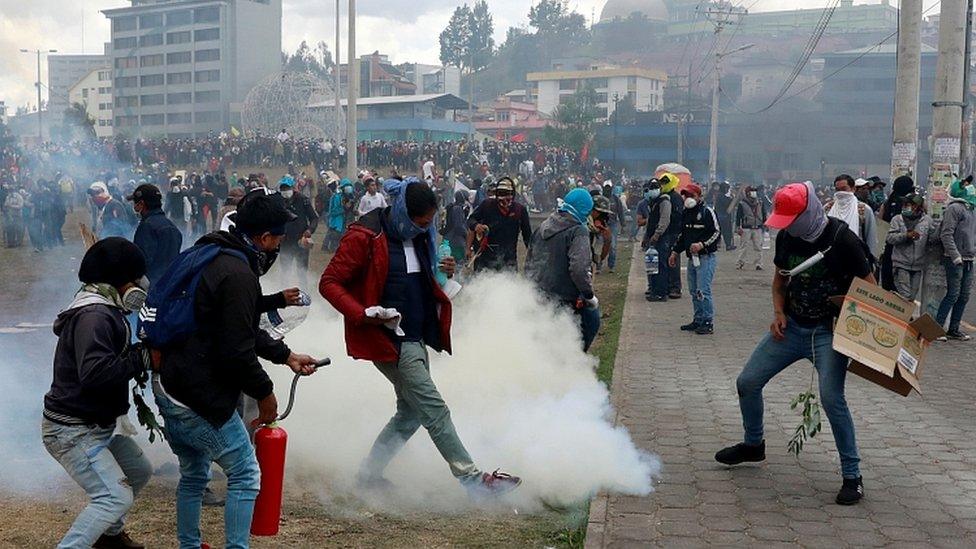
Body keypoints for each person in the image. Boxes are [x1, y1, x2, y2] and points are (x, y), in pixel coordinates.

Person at [320, 177, 521, 496]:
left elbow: (423, 277)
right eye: (422, 221)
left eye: (430, 222)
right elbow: (329, 282)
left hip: (414, 336)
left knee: (410, 413)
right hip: (389, 341)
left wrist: (446, 271)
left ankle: (368, 475)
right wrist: (363, 313)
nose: (427, 228)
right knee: (433, 408)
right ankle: (472, 480)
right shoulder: (365, 235)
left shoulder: (419, 235)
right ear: (403, 211)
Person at [152, 191, 321, 549]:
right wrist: (265, 392)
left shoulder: (209, 253)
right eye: (277, 238)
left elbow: (236, 327)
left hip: (171, 383)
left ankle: (189, 545)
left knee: (195, 474)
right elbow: (237, 349)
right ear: (263, 238)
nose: (278, 246)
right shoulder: (238, 273)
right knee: (245, 474)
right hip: (198, 394)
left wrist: (286, 355)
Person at [716, 181, 873, 506]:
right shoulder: (788, 237)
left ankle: (852, 476)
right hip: (790, 330)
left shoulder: (843, 240)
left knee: (832, 400)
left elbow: (871, 291)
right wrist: (778, 313)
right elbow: (779, 280)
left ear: (810, 212)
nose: (786, 227)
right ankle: (753, 444)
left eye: (791, 219)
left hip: (827, 334)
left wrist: (853, 314)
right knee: (747, 382)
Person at [42, 237, 153, 549]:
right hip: (73, 430)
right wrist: (141, 358)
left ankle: (109, 538)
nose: (141, 284)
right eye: (135, 278)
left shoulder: (104, 309)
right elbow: (94, 375)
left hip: (96, 422)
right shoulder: (96, 316)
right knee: (113, 496)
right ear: (120, 281)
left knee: (138, 471)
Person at [525, 188, 600, 351]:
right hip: (567, 300)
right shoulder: (578, 230)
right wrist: (588, 295)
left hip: (538, 297)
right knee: (590, 324)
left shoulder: (541, 228)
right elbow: (579, 269)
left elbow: (529, 264)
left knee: (543, 345)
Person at [669, 183, 721, 334]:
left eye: (691, 196)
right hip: (692, 258)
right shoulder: (686, 213)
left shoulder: (707, 212)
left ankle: (707, 321)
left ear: (699, 197)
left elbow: (717, 232)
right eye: (685, 195)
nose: (687, 199)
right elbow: (682, 235)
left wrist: (702, 244)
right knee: (693, 291)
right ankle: (698, 319)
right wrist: (674, 252)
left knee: (703, 290)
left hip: (706, 257)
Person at [935, 178, 976, 341]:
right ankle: (937, 328)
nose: (970, 187)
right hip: (954, 259)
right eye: (966, 185)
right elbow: (946, 234)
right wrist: (955, 255)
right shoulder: (954, 208)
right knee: (953, 294)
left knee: (964, 295)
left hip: (968, 258)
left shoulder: (971, 209)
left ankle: (954, 328)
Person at [466, 177, 532, 272]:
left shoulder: (519, 210)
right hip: (485, 260)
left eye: (507, 195)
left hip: (509, 261)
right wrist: (476, 225)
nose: (504, 199)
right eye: (501, 194)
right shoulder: (487, 205)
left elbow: (528, 237)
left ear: (513, 194)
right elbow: (471, 219)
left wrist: (532, 257)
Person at [885, 193, 937, 301]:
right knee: (905, 296)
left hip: (918, 265)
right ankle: (901, 316)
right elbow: (890, 238)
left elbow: (932, 239)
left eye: (907, 204)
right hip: (901, 264)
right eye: (904, 204)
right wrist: (905, 235)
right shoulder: (897, 219)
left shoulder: (927, 221)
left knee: (912, 297)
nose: (904, 206)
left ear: (916, 206)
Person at [129, 184, 183, 285]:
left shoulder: (147, 227)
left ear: (141, 204)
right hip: (170, 284)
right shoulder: (172, 227)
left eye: (135, 203)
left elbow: (142, 261)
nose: (134, 207)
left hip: (151, 287)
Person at [278, 177, 319, 284]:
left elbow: (314, 218)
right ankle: (285, 294)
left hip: (301, 240)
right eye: (283, 189)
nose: (285, 191)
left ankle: (304, 292)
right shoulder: (278, 202)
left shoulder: (303, 200)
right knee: (285, 271)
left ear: (293, 188)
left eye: (287, 188)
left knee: (302, 271)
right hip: (285, 242)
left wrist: (310, 230)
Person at [639, 179, 675, 302]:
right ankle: (654, 290)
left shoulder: (664, 202)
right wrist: (646, 237)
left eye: (653, 188)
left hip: (661, 238)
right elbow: (650, 221)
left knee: (661, 266)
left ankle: (661, 292)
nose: (650, 191)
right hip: (652, 238)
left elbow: (664, 221)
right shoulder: (653, 202)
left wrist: (656, 235)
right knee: (652, 266)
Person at [827, 175, 879, 257]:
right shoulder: (828, 209)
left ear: (853, 189)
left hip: (857, 257)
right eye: (838, 190)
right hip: (831, 257)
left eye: (844, 189)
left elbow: (871, 238)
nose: (841, 193)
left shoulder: (864, 210)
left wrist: (871, 260)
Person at [661, 174, 684, 299]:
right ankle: (665, 285)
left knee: (673, 259)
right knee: (664, 260)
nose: (663, 184)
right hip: (664, 233)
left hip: (674, 233)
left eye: (665, 182)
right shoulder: (662, 197)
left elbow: (679, 216)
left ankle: (675, 287)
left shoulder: (676, 198)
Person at [735, 185, 767, 270]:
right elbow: (738, 216)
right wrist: (738, 226)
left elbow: (764, 214)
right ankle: (740, 263)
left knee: (758, 246)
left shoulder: (760, 202)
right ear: (747, 193)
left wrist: (765, 223)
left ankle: (759, 264)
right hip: (746, 228)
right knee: (743, 246)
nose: (754, 193)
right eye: (752, 191)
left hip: (758, 227)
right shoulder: (742, 203)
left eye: (755, 191)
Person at [441, 189, 471, 264]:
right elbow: (459, 226)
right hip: (456, 241)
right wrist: (466, 233)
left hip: (449, 239)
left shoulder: (453, 207)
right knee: (457, 264)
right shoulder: (457, 209)